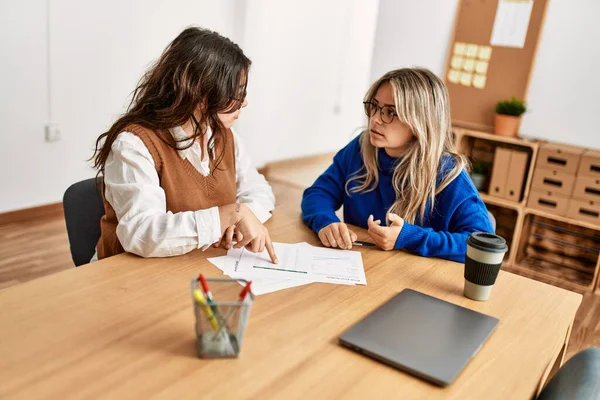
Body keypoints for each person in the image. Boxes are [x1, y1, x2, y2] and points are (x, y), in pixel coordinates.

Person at [91, 27, 278, 263]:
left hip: (191, 266)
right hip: (128, 277)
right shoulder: (134, 145)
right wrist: (227, 216)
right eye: (238, 93)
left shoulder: (225, 137)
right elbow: (141, 232)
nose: (245, 102)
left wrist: (241, 219)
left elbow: (260, 191)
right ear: (201, 94)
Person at [301, 68, 493, 262]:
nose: (375, 119)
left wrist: (410, 238)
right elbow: (317, 193)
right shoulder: (360, 148)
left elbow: (483, 246)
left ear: (420, 123)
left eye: (390, 112)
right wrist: (326, 222)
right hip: (364, 268)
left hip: (416, 279)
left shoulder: (448, 174)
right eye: (374, 106)